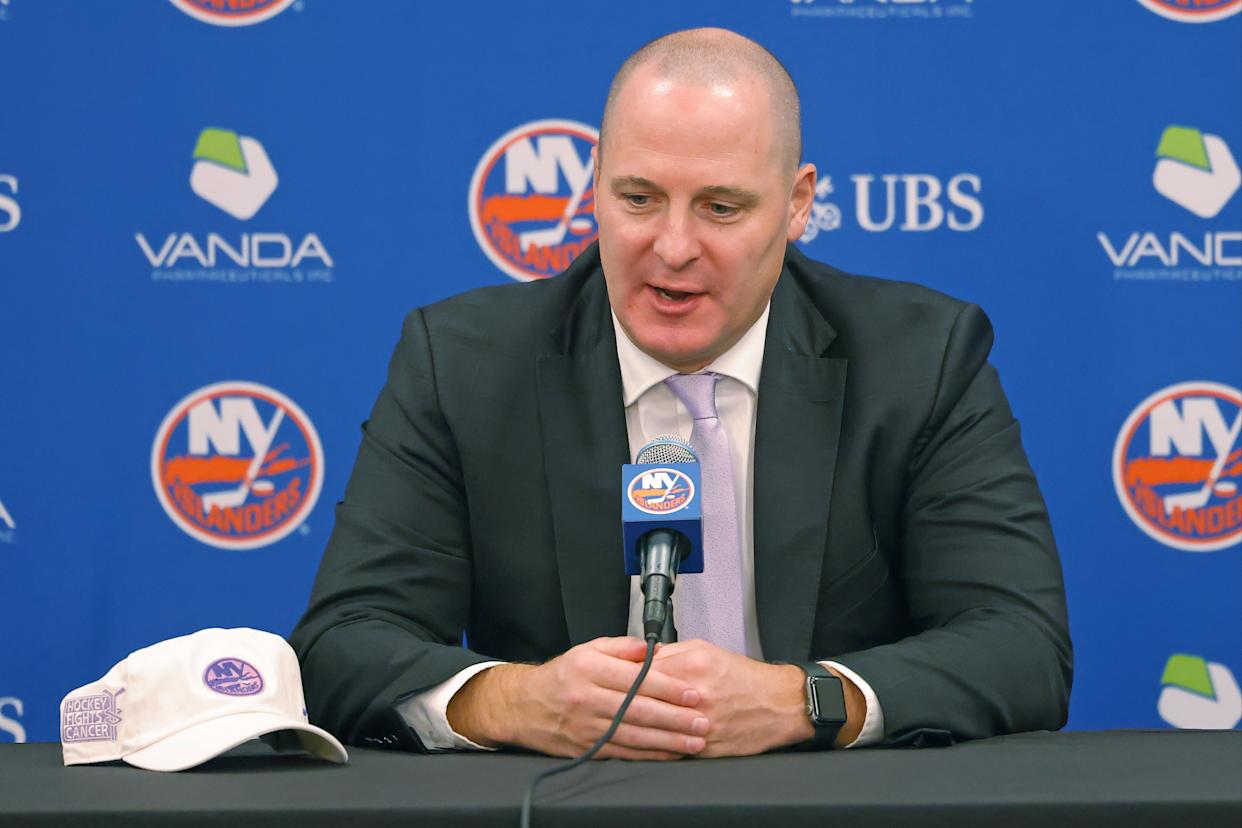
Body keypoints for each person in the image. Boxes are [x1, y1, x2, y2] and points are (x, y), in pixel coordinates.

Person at [290, 27, 1072, 759]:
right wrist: (517, 700)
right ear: (594, 183)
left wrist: (802, 701)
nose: (670, 248)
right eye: (637, 199)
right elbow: (342, 644)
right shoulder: (462, 364)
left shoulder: (919, 357)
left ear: (799, 204)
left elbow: (1021, 644)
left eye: (720, 208)